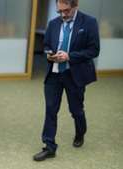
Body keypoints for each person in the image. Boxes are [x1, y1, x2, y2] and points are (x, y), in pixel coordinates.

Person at [33, 0, 100, 161]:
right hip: (54, 74)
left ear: (75, 6)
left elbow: (94, 50)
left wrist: (70, 56)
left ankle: (80, 132)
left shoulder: (89, 22)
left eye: (67, 10)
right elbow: (47, 45)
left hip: (74, 74)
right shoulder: (53, 23)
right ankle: (49, 146)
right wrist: (50, 54)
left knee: (76, 110)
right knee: (50, 110)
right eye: (60, 11)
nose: (63, 14)